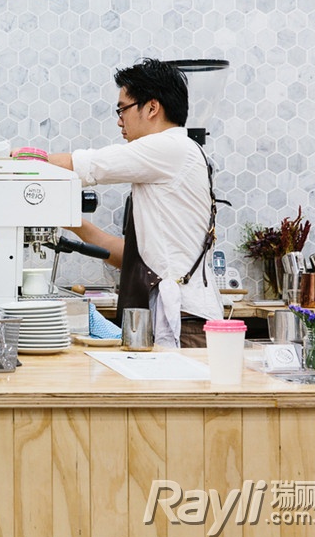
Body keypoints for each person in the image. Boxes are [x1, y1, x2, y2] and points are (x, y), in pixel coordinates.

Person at [47, 58, 222, 348]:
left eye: (122, 109)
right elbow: (129, 257)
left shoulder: (170, 147)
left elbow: (82, 165)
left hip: (186, 323)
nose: (119, 120)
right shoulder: (169, 158)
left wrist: (15, 160)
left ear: (152, 108)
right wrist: (70, 221)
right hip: (181, 318)